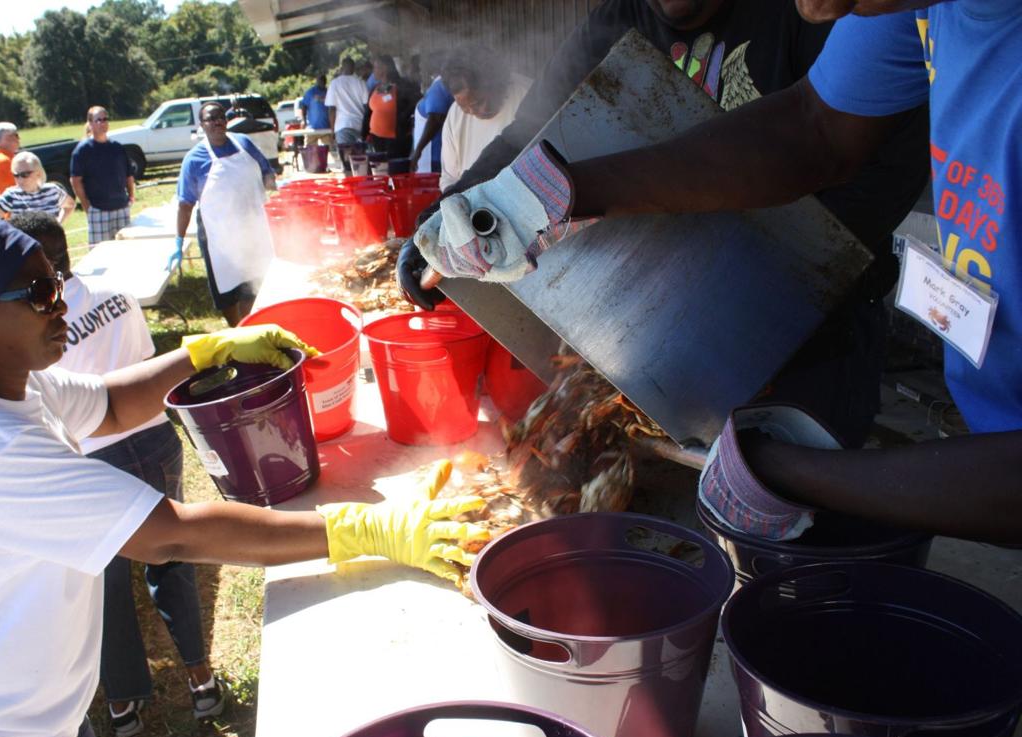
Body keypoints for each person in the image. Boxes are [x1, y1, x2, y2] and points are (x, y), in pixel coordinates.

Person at [0, 206, 485, 737]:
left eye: (61, 281)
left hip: (36, 721)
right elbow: (172, 535)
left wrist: (207, 352)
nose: (63, 306)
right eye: (41, 294)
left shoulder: (2, 382)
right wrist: (368, 530)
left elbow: (109, 403)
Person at [415, 0, 1021, 542]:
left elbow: (854, 191)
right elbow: (813, 127)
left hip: (803, 331)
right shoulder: (910, 13)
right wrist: (548, 197)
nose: (813, 12)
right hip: (978, 432)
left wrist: (786, 467)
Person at [401, 0, 930, 448]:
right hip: (660, 332)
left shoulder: (814, 12)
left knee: (795, 530)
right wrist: (447, 214)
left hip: (807, 325)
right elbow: (531, 128)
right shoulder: (622, 14)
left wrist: (764, 300)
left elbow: (868, 164)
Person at [12, 211, 222, 737]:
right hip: (154, 439)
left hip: (93, 457)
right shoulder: (118, 293)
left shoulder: (37, 326)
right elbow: (147, 365)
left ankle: (124, 701)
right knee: (174, 555)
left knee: (103, 580)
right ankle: (201, 678)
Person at [171, 100, 276, 327]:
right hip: (217, 235)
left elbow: (267, 174)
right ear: (202, 125)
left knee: (256, 282)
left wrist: (277, 194)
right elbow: (185, 204)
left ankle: (253, 326)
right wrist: (179, 241)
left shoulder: (244, 143)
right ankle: (236, 329)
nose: (217, 122)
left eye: (221, 116)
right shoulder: (194, 160)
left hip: (253, 227)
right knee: (227, 288)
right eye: (211, 118)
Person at [438, 53, 532, 191]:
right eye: (464, 106)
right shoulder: (455, 114)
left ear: (496, 83)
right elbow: (449, 177)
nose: (471, 111)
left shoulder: (529, 96)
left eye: (478, 102)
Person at [70, 106, 135, 247]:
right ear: (91, 123)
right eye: (98, 120)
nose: (103, 123)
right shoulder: (82, 150)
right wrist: (87, 206)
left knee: (126, 250)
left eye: (105, 119)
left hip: (121, 207)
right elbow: (76, 181)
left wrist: (131, 195)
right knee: (99, 253)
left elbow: (128, 175)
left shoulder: (117, 148)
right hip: (98, 209)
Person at [0, 151, 75, 223]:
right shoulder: (12, 195)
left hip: (53, 242)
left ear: (38, 173)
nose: (20, 179)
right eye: (16, 175)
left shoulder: (53, 190)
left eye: (25, 174)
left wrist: (59, 223)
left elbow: (70, 205)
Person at [365, 54, 421, 160]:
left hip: (397, 141)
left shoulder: (402, 85)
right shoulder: (375, 88)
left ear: (385, 68)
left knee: (396, 172)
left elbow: (417, 100)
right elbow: (368, 113)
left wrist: (402, 117)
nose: (374, 71)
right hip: (377, 140)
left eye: (376, 67)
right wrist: (364, 134)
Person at [409, 63, 455, 174]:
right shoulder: (437, 87)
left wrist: (418, 150)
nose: (418, 74)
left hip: (432, 156)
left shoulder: (438, 88)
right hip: (431, 156)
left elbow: (435, 118)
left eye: (420, 70)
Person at [326, 57, 371, 148]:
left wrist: (332, 130)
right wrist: (367, 128)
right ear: (354, 68)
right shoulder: (361, 82)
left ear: (342, 68)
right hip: (359, 125)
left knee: (346, 158)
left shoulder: (334, 84)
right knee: (360, 158)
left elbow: (331, 110)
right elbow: (367, 107)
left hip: (342, 126)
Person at [299, 72, 334, 149]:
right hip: (312, 128)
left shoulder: (329, 92)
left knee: (331, 149)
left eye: (323, 79)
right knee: (309, 150)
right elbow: (303, 106)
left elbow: (333, 109)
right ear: (317, 80)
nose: (322, 81)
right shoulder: (310, 92)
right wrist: (303, 120)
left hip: (326, 128)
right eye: (320, 79)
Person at [0, 122, 21, 197]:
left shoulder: (3, 156)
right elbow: (24, 185)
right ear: (8, 138)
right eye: (16, 136)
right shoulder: (5, 161)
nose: (18, 139)